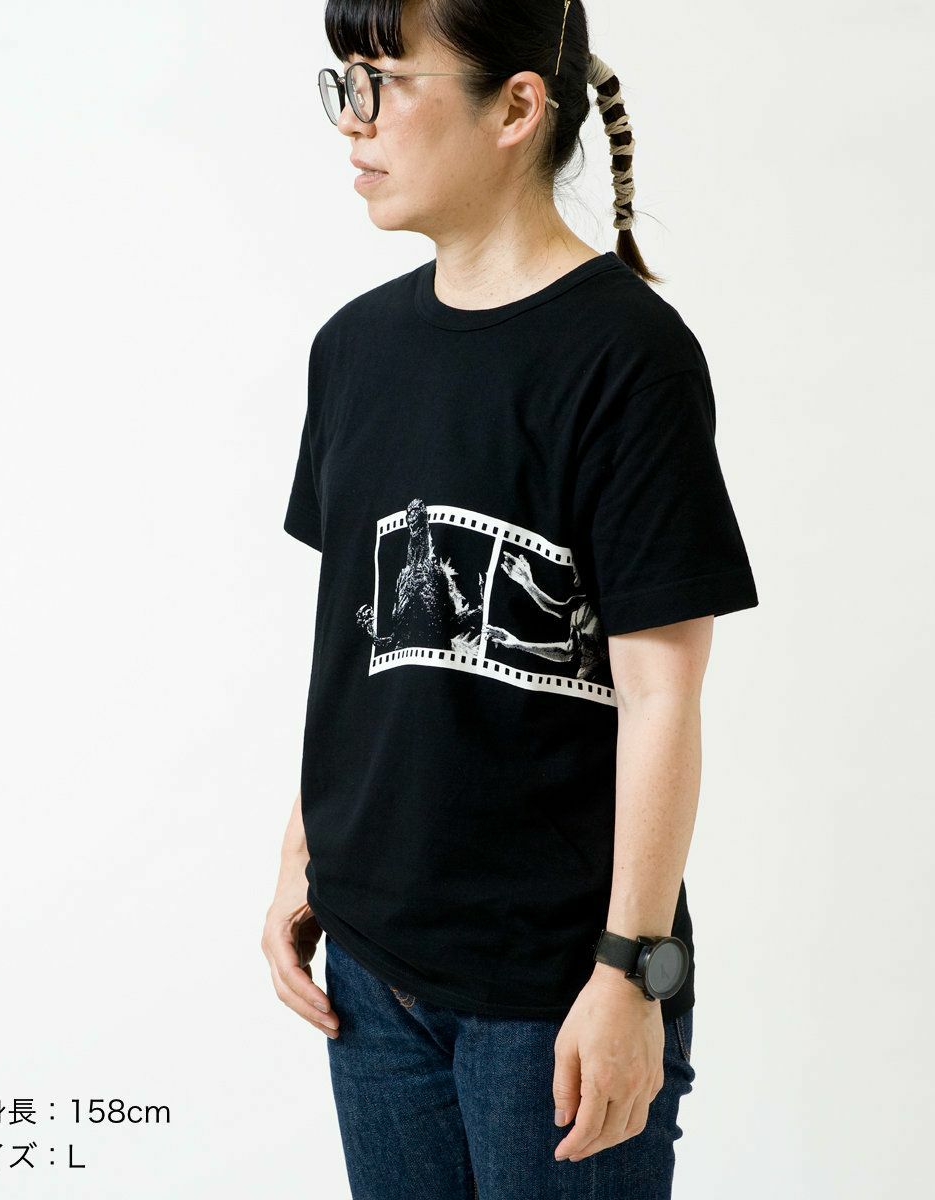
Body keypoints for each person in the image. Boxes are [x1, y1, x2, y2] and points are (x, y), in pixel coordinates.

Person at [264, 2, 760, 1196]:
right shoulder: (355, 351)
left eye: (383, 80)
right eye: (342, 81)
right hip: (372, 969)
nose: (352, 121)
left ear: (516, 108)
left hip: (555, 988)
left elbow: (661, 693)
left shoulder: (628, 357)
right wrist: (301, 858)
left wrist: (630, 971)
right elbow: (356, 650)